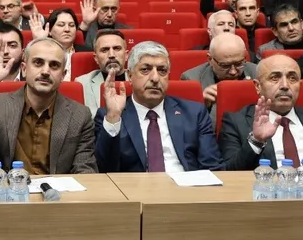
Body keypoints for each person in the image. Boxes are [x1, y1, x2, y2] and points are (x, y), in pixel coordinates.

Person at [0, 37, 96, 175]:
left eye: (54, 65)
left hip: (58, 187)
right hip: (11, 186)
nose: (45, 71)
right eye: (38, 63)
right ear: (24, 69)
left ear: (63, 75)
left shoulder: (80, 115)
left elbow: (85, 168)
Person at [94, 41, 219, 173]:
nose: (155, 78)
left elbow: (213, 166)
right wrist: (113, 117)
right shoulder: (110, 116)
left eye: (162, 71)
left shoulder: (194, 113)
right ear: (130, 75)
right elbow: (104, 169)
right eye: (145, 70)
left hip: (186, 183)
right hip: (135, 185)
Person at [218, 54, 303, 171]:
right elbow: (230, 172)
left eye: (292, 78)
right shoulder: (236, 122)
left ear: (300, 85)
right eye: (275, 78)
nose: (285, 85)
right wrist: (257, 140)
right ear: (258, 86)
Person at [180, 33, 258, 120]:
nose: (233, 72)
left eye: (238, 64)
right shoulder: (191, 79)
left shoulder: (258, 73)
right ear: (210, 59)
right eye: (225, 65)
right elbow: (185, 121)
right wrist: (202, 104)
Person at [75, 30, 128, 116]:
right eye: (104, 50)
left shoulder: (139, 80)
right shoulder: (83, 83)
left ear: (126, 55)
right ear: (96, 58)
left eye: (117, 48)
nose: (111, 55)